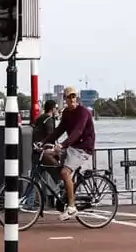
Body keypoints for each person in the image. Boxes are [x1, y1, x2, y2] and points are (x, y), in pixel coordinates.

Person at [42, 86, 95, 221]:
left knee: (65, 172)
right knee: (46, 155)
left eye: (73, 96)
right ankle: (63, 183)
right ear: (64, 99)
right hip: (72, 147)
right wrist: (42, 142)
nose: (72, 99)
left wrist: (62, 145)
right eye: (69, 97)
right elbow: (58, 131)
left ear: (76, 98)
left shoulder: (83, 112)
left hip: (83, 148)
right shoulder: (66, 113)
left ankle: (71, 207)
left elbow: (78, 131)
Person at [23, 99, 59, 210]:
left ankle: (28, 202)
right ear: (52, 109)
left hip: (36, 153)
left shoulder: (39, 118)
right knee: (59, 175)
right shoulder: (49, 120)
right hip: (46, 154)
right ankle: (63, 197)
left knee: (34, 178)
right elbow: (51, 137)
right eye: (56, 108)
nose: (57, 110)